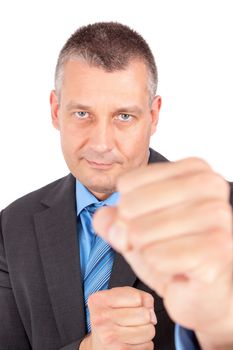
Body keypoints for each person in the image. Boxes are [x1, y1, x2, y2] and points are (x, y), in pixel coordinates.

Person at [0, 22, 232, 350]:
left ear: (153, 115)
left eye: (124, 116)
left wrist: (220, 329)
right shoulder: (13, 226)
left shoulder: (225, 214)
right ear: (55, 110)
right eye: (82, 113)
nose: (101, 143)